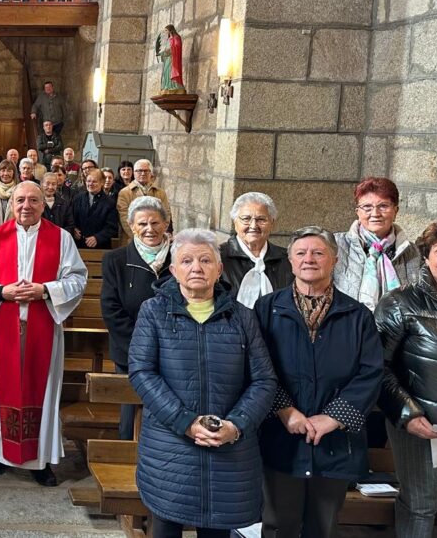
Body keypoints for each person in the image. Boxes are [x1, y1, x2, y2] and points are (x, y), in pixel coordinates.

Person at [128, 229, 276, 538]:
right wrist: (185, 422)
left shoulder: (242, 317)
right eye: (187, 261)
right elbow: (142, 372)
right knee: (166, 527)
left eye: (205, 260)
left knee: (217, 530)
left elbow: (263, 380)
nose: (196, 267)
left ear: (219, 269)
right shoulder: (153, 312)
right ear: (173, 270)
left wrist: (236, 425)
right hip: (171, 447)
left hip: (228, 448)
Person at [256, 227, 382, 538]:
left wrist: (334, 417)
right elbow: (257, 367)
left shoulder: (357, 315)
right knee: (278, 524)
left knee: (323, 527)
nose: (309, 259)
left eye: (318, 253)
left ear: (334, 260)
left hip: (335, 443)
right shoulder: (266, 310)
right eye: (301, 253)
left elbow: (370, 372)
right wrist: (285, 409)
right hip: (282, 436)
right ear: (290, 261)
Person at [0, 182, 86, 485]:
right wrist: (2, 292)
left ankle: (39, 460)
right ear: (11, 204)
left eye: (33, 200)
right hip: (3, 329)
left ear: (43, 204)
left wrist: (45, 290)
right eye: (20, 200)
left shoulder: (60, 238)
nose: (26, 206)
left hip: (43, 329)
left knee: (41, 392)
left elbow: (77, 279)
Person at [375, 217, 437, 538]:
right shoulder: (399, 303)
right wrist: (407, 414)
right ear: (427, 256)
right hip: (423, 426)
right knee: (420, 507)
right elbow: (376, 367)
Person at [101, 196, 172, 440]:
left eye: (155, 222)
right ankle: (128, 454)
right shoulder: (116, 260)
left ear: (166, 224)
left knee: (168, 410)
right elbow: (111, 309)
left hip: (173, 349)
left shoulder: (180, 258)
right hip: (130, 350)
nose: (149, 229)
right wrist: (142, 345)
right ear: (132, 226)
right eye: (142, 224)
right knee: (131, 414)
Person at [335, 176, 422, 311]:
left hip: (399, 324)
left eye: (383, 206)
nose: (375, 213)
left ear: (396, 211)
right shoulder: (336, 245)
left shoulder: (413, 252)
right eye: (367, 207)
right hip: (347, 323)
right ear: (358, 212)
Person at [220, 192, 293, 308]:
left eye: (261, 219)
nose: (253, 226)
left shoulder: (288, 259)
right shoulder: (218, 258)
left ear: (272, 223)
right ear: (235, 222)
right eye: (246, 219)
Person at [116, 159, 172, 242]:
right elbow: (124, 218)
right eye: (139, 171)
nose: (143, 173)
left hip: (156, 238)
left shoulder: (160, 192)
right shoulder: (125, 192)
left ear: (151, 173)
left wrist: (160, 233)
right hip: (131, 238)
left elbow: (166, 214)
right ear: (134, 173)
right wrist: (140, 236)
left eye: (146, 171)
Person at [71, 168, 118, 250]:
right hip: (78, 245)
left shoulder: (109, 203)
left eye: (94, 181)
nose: (90, 184)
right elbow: (70, 218)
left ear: (102, 182)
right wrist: (73, 228)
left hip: (100, 246)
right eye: (88, 181)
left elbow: (112, 227)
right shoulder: (77, 198)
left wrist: (97, 238)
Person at [41, 171, 75, 238]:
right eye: (47, 183)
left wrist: (57, 235)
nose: (50, 187)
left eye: (53, 184)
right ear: (41, 184)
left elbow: (70, 226)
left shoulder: (65, 204)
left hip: (61, 239)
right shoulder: (35, 204)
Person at [155, 25, 185, 94]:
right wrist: (162, 53)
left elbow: (177, 47)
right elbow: (166, 49)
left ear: (170, 30)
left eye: (166, 30)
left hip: (173, 59)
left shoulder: (176, 37)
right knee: (166, 72)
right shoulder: (169, 39)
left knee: (171, 71)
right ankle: (167, 86)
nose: (165, 32)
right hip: (167, 59)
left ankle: (174, 87)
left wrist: (170, 50)